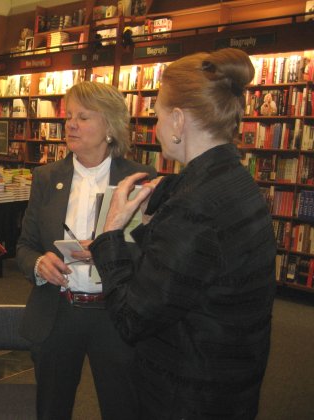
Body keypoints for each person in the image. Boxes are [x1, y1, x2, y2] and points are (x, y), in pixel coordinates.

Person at [88, 48, 276, 419]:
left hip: (189, 391)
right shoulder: (235, 179)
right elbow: (189, 274)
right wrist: (150, 225)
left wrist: (110, 235)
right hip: (230, 378)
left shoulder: (194, 206)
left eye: (156, 112)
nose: (154, 125)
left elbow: (131, 318)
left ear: (177, 120)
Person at [16, 81, 156, 419]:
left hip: (115, 312)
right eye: (69, 117)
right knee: (52, 408)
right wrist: (38, 264)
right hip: (58, 310)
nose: (71, 124)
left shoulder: (139, 179)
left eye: (83, 117)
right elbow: (24, 246)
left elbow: (151, 253)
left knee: (123, 406)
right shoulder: (47, 177)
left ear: (109, 126)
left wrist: (110, 251)